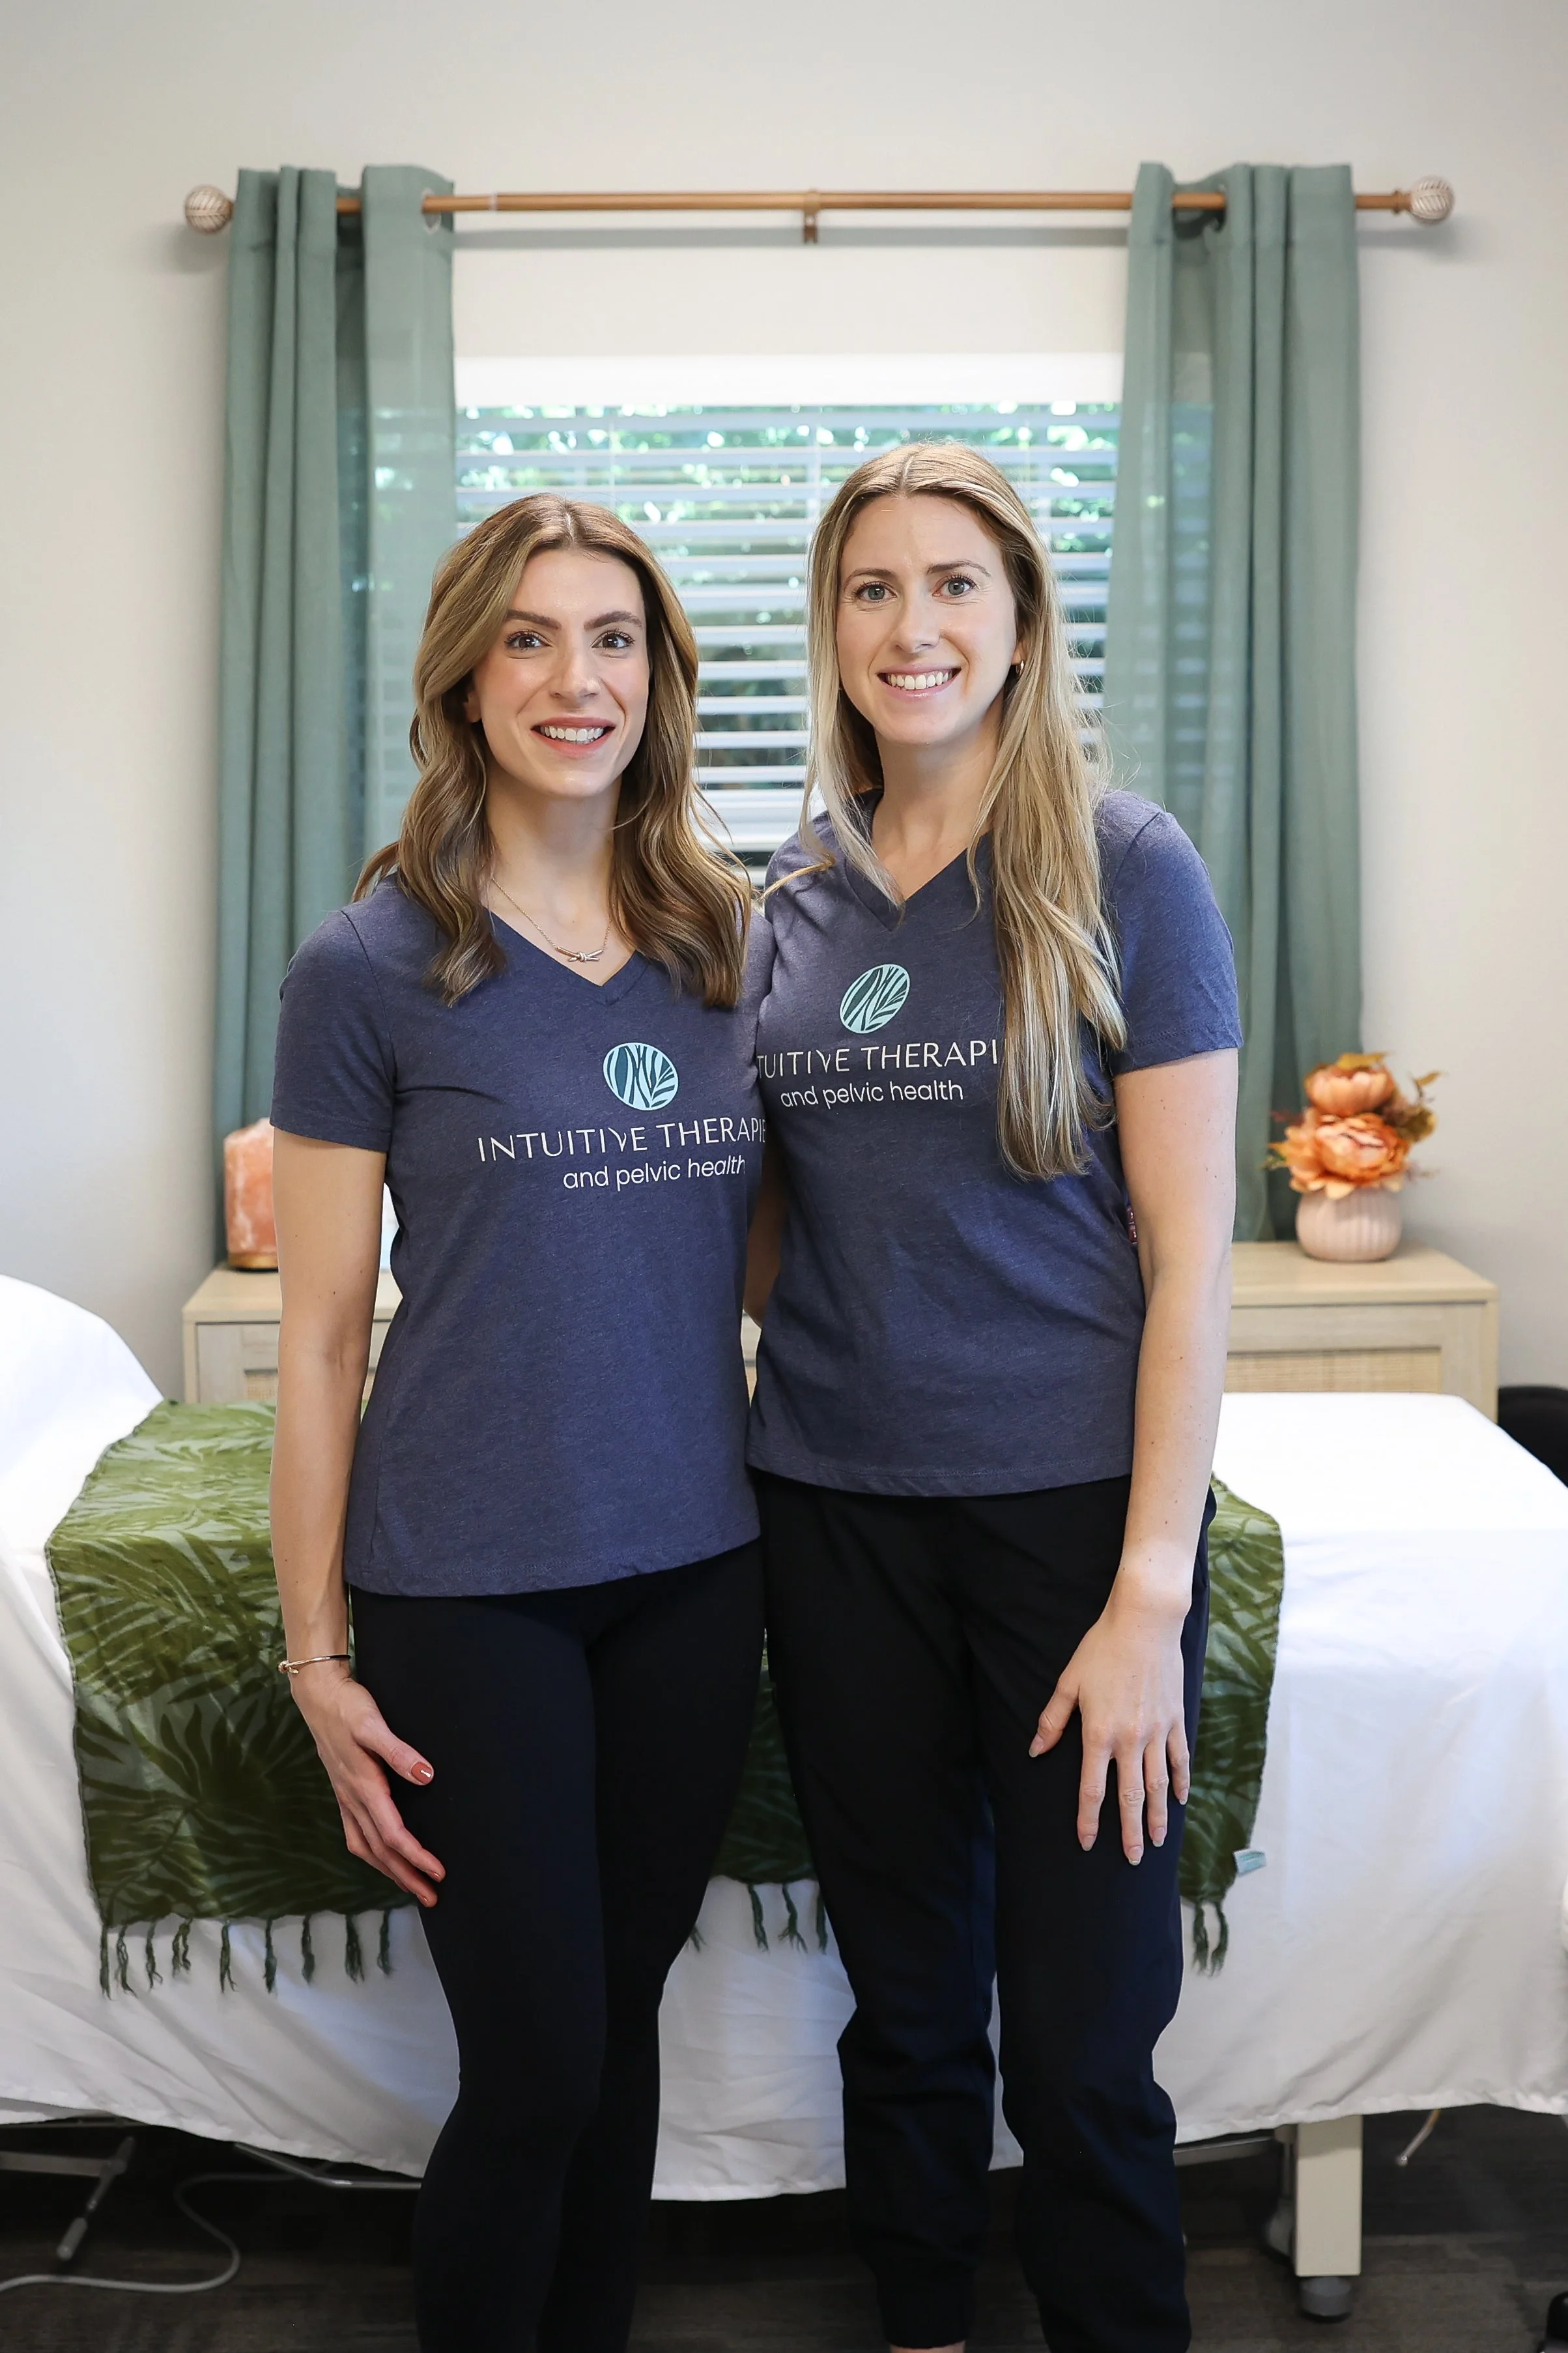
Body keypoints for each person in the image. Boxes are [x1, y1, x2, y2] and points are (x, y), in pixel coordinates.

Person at [745, 443, 1241, 2353]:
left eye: (952, 585)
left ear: (1022, 621)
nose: (911, 627)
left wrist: (1145, 1591)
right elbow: (765, 1228)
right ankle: (925, 2316)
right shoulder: (784, 893)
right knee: (906, 1988)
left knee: (1087, 2013)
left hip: (1064, 1522)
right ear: (832, 626)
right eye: (872, 589)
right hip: (835, 1506)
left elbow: (1189, 1258)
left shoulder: (1126, 866)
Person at [268, 495, 766, 2353]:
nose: (580, 679)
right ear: (467, 678)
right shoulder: (370, 966)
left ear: (662, 674)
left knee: (616, 2036)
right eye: (533, 639)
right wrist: (315, 1653)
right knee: (541, 2058)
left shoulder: (730, 942)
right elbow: (318, 1341)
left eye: (615, 638)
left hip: (696, 1575)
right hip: (465, 1585)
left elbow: (794, 1254)